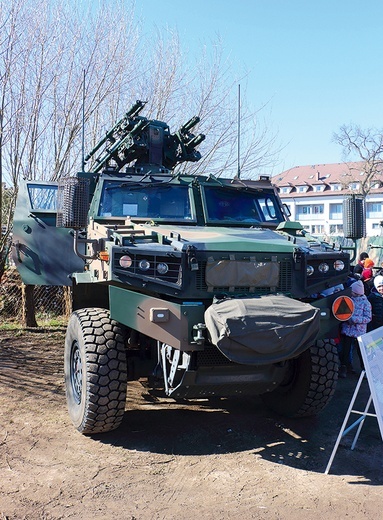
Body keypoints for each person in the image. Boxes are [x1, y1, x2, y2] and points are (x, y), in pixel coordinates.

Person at [339, 280, 372, 378]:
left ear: (356, 292)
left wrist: (354, 320)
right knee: (345, 351)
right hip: (348, 330)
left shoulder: (366, 303)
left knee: (360, 351)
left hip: (358, 331)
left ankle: (365, 369)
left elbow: (368, 318)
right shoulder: (348, 300)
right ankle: (344, 367)